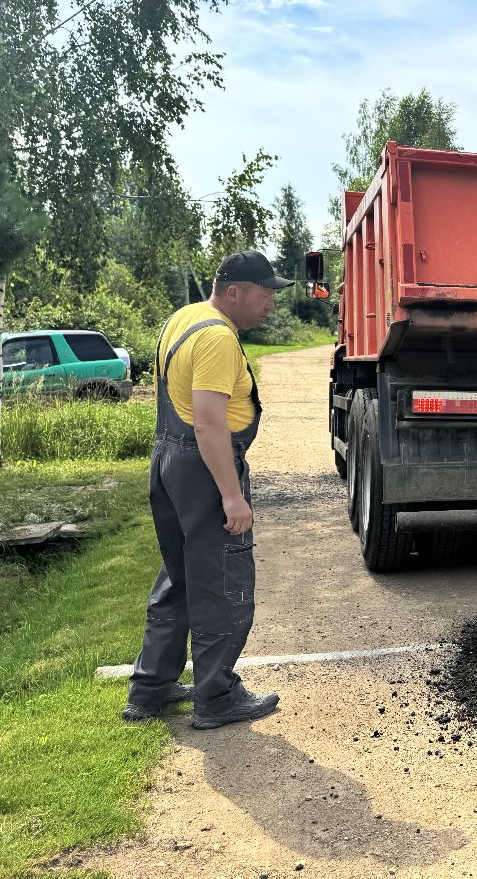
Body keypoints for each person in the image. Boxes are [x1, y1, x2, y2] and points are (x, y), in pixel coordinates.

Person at [123, 250, 294, 729]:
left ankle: (151, 687)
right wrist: (232, 496)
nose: (270, 306)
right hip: (202, 465)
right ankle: (216, 697)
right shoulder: (218, 338)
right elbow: (209, 424)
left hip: (167, 460)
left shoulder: (186, 317)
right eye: (264, 295)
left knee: (179, 574)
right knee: (221, 580)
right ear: (234, 291)